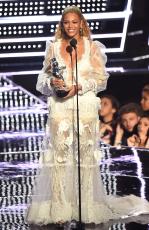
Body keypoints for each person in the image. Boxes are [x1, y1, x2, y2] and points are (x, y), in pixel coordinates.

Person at [26, 6, 149, 227]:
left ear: (81, 23)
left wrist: (80, 86)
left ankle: (86, 206)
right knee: (59, 159)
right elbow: (41, 79)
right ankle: (59, 208)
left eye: (74, 22)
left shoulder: (91, 47)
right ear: (62, 25)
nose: (70, 26)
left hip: (84, 108)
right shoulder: (53, 47)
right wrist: (51, 83)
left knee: (85, 160)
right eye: (66, 22)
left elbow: (101, 80)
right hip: (60, 108)